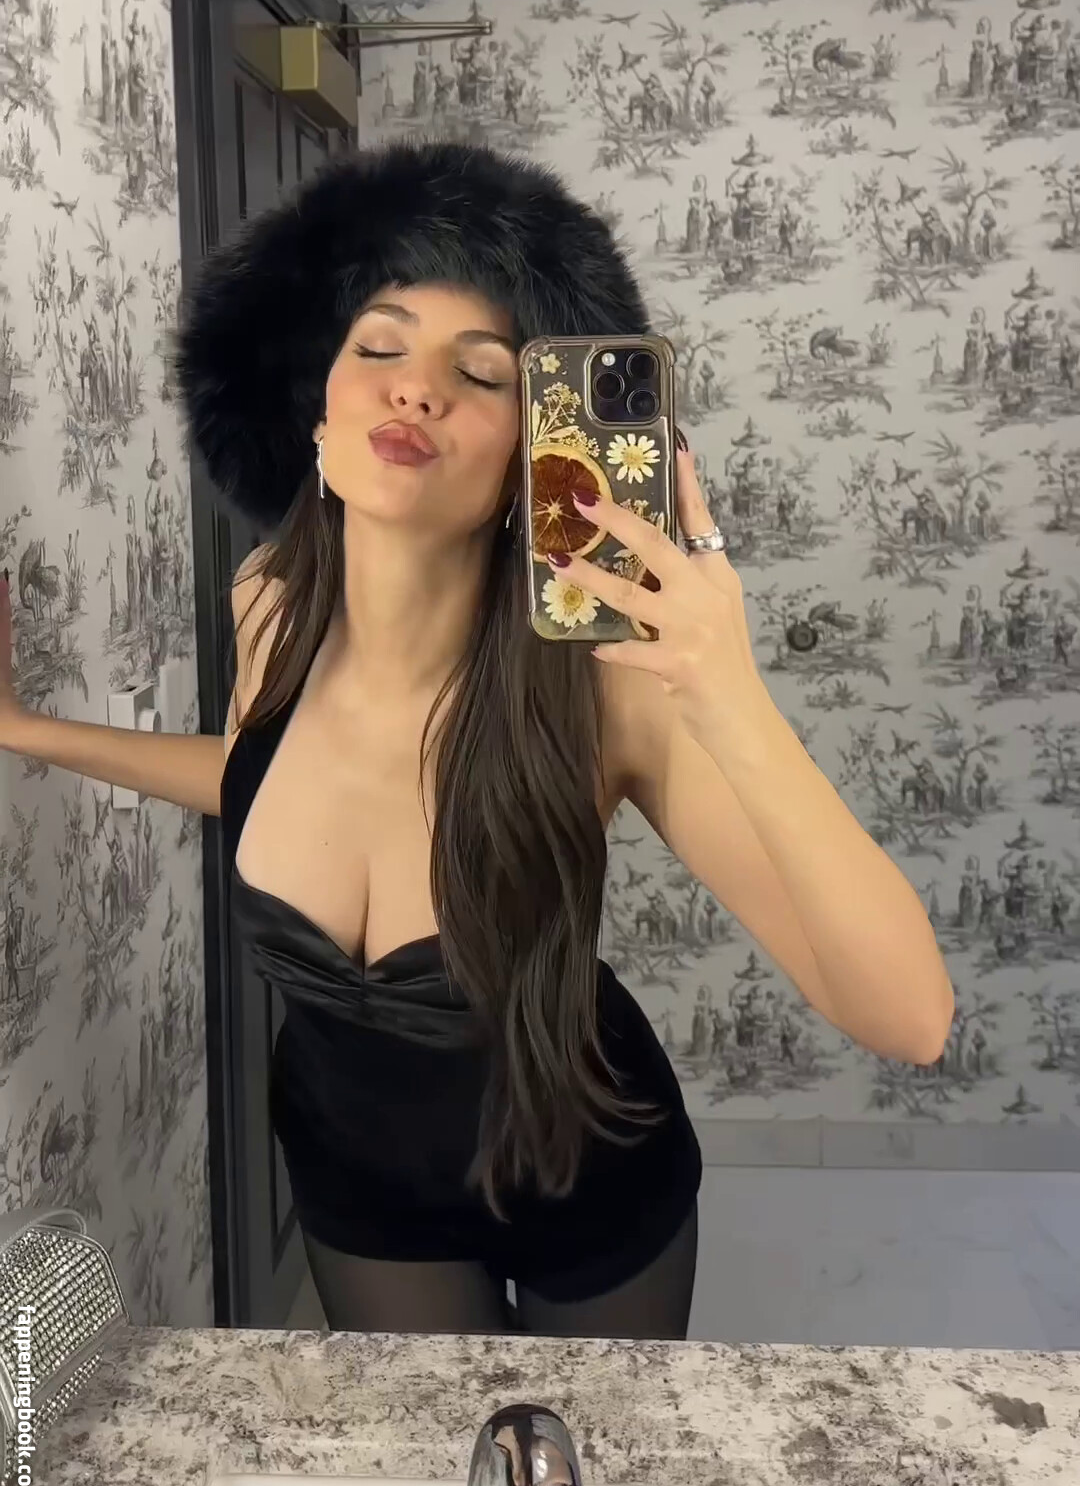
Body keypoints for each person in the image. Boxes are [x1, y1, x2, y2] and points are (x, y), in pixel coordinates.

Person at [0, 141, 955, 1338]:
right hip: (356, 1189)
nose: (416, 390)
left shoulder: (608, 693)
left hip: (585, 1176)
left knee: (574, 1451)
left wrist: (732, 696)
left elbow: (909, 1020)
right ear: (316, 412)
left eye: (483, 372)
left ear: (531, 461)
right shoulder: (268, 608)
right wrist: (28, 730)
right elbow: (261, 780)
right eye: (379, 347)